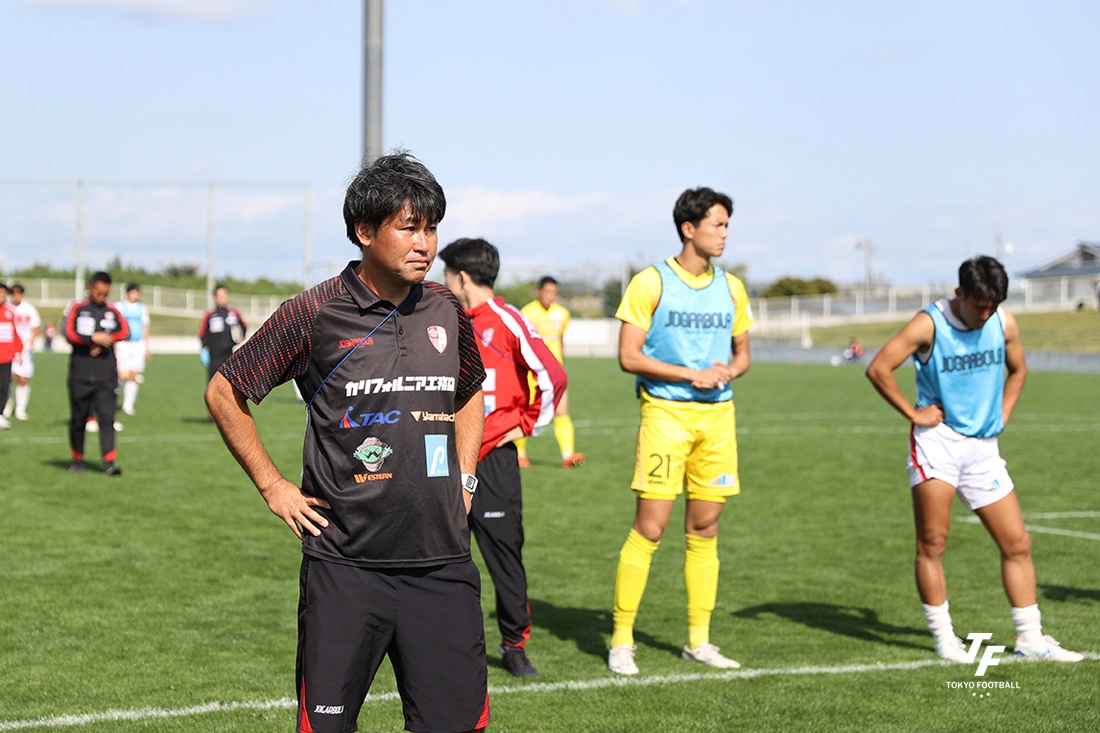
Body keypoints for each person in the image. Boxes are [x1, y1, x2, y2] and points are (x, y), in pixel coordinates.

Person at [204, 152, 491, 733]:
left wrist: (465, 476)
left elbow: (468, 392)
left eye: (432, 228)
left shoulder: (446, 308)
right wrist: (273, 486)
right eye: (408, 228)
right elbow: (225, 391)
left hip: (442, 563)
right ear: (364, 231)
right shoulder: (315, 312)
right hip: (345, 569)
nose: (424, 244)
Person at [866, 256, 1083, 664]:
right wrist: (913, 413)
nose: (985, 314)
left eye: (993, 306)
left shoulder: (1004, 323)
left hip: (983, 449)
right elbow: (879, 368)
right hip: (938, 444)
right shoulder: (929, 324)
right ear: (959, 293)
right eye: (979, 306)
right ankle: (944, 638)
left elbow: (1019, 371)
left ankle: (1031, 639)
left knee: (1017, 543)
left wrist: (1003, 413)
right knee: (933, 543)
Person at [608, 187, 753, 676]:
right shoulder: (650, 282)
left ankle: (699, 641)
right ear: (689, 229)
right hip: (666, 416)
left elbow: (743, 356)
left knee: (705, 528)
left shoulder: (732, 287)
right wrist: (692, 375)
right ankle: (622, 640)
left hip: (718, 419)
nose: (725, 234)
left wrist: (727, 371)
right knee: (650, 528)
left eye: (727, 225)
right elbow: (629, 356)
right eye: (717, 224)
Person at [439, 238, 568, 678]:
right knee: (438, 555)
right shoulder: (443, 318)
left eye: (446, 274)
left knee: (503, 555)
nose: (443, 282)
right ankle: (441, 644)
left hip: (493, 457)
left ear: (461, 277)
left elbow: (553, 376)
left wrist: (527, 423)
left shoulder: (508, 319)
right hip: (443, 456)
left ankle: (514, 646)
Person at [64, 271, 129, 474]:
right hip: (80, 374)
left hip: (106, 374)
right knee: (78, 420)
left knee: (107, 418)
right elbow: (68, 333)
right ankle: (78, 460)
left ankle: (108, 462)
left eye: (106, 293)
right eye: (99, 293)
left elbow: (125, 331)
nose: (102, 297)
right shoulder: (77, 308)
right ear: (90, 287)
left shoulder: (113, 311)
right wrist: (91, 339)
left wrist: (106, 340)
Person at [517, 276, 585, 469]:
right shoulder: (527, 313)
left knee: (562, 411)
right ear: (538, 291)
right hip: (533, 373)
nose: (550, 296)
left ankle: (567, 456)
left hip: (554, 373)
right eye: (547, 292)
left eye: (554, 292)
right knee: (526, 411)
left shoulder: (562, 314)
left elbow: (561, 340)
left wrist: (560, 365)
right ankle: (520, 454)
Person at [3, 284, 40, 421]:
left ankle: (21, 409)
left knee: (23, 379)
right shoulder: (7, 308)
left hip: (25, 349)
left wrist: (28, 344)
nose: (16, 296)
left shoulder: (29, 309)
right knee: (7, 378)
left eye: (19, 293)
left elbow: (35, 327)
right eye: (14, 293)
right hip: (9, 349)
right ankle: (6, 405)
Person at [198, 284, 247, 385]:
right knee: (213, 386)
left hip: (229, 356)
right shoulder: (210, 314)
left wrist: (241, 338)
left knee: (230, 386)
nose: (222, 299)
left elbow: (244, 326)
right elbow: (202, 332)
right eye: (220, 296)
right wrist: (204, 348)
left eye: (224, 296)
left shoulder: (233, 313)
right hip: (214, 356)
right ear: (215, 298)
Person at [116, 283, 151, 416]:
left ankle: (128, 405)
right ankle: (112, 400)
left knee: (134, 375)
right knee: (121, 374)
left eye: (137, 292)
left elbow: (145, 327)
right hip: (123, 343)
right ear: (127, 293)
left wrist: (146, 347)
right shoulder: (119, 306)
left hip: (137, 344)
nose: (135, 295)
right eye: (132, 292)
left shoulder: (142, 308)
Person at [0, 284, 24, 430]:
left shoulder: (10, 312)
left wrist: (19, 351)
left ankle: (0, 415)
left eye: (4, 293)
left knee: (4, 387)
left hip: (6, 357)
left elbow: (15, 333)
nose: (2, 296)